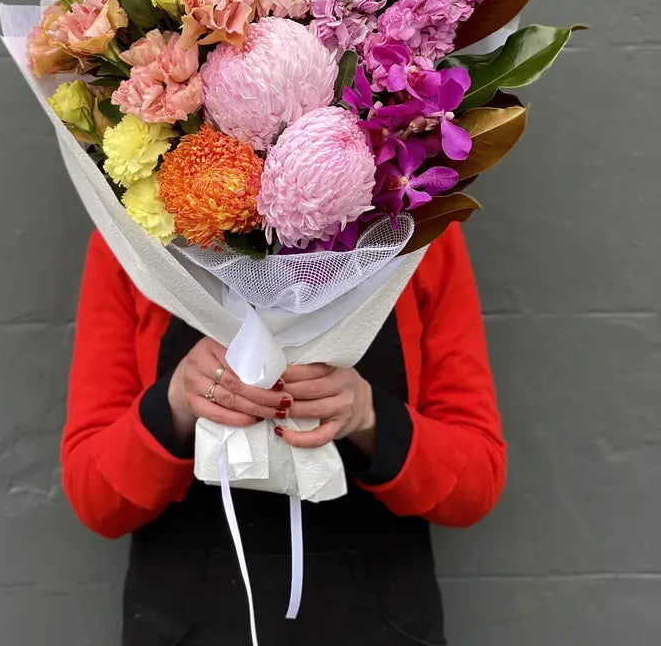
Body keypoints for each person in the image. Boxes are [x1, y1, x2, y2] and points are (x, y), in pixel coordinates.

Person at [62, 222, 506, 646]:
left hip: (379, 619)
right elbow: (96, 499)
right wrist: (178, 400)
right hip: (185, 621)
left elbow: (475, 484)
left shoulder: (418, 242)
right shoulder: (132, 244)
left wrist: (368, 416)